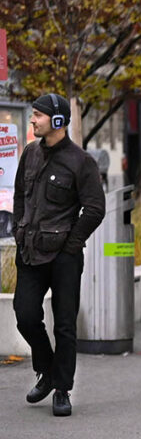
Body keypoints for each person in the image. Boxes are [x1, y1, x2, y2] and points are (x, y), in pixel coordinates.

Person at [13, 93, 105, 417]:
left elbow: (95, 209)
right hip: (30, 250)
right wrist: (18, 228)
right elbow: (20, 195)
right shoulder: (30, 154)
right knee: (25, 315)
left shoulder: (81, 162)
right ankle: (47, 371)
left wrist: (71, 244)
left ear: (56, 121)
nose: (32, 120)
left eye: (37, 115)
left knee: (64, 325)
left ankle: (62, 388)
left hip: (64, 257)